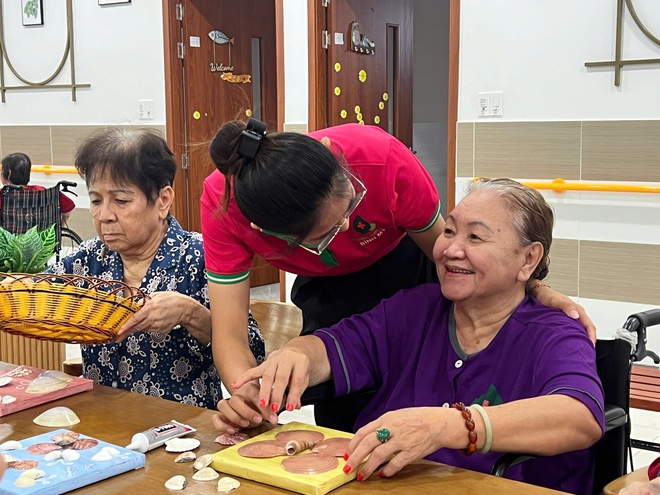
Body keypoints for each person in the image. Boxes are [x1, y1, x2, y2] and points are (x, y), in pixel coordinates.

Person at [203, 119, 596, 432]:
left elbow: (447, 257)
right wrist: (262, 382)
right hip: (345, 303)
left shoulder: (383, 161)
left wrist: (533, 287)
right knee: (353, 400)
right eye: (324, 234)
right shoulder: (405, 317)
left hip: (405, 268)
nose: (345, 230)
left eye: (475, 235)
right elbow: (237, 332)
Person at [226, 178, 605, 495]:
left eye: (475, 237)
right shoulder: (417, 308)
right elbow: (339, 344)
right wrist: (297, 356)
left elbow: (580, 417)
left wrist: (449, 426)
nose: (451, 248)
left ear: (528, 260)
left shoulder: (553, 331)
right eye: (451, 230)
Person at [46, 127, 264, 409]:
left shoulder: (201, 258)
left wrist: (191, 314)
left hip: (186, 430)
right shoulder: (85, 260)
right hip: (102, 425)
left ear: (163, 200)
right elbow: (37, 297)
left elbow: (255, 353)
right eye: (96, 201)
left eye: (121, 201)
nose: (104, 216)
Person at [0, 152, 76, 223]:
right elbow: (67, 211)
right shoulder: (42, 191)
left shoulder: (2, 195)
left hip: (8, 237)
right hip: (40, 237)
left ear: (8, 174)